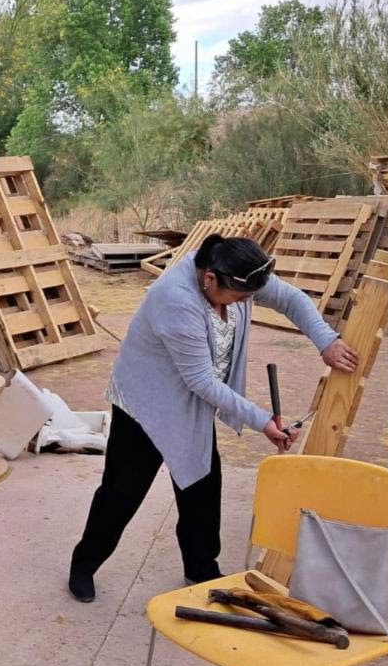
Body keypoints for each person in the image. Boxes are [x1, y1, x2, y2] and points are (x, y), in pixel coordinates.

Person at [67, 235, 359, 603]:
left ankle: (201, 570)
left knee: (202, 490)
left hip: (191, 404)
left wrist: (326, 341)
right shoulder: (175, 299)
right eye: (240, 297)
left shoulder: (235, 273)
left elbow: (291, 298)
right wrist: (263, 420)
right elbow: (201, 380)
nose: (246, 302)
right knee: (121, 494)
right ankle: (84, 564)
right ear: (209, 280)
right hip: (145, 405)